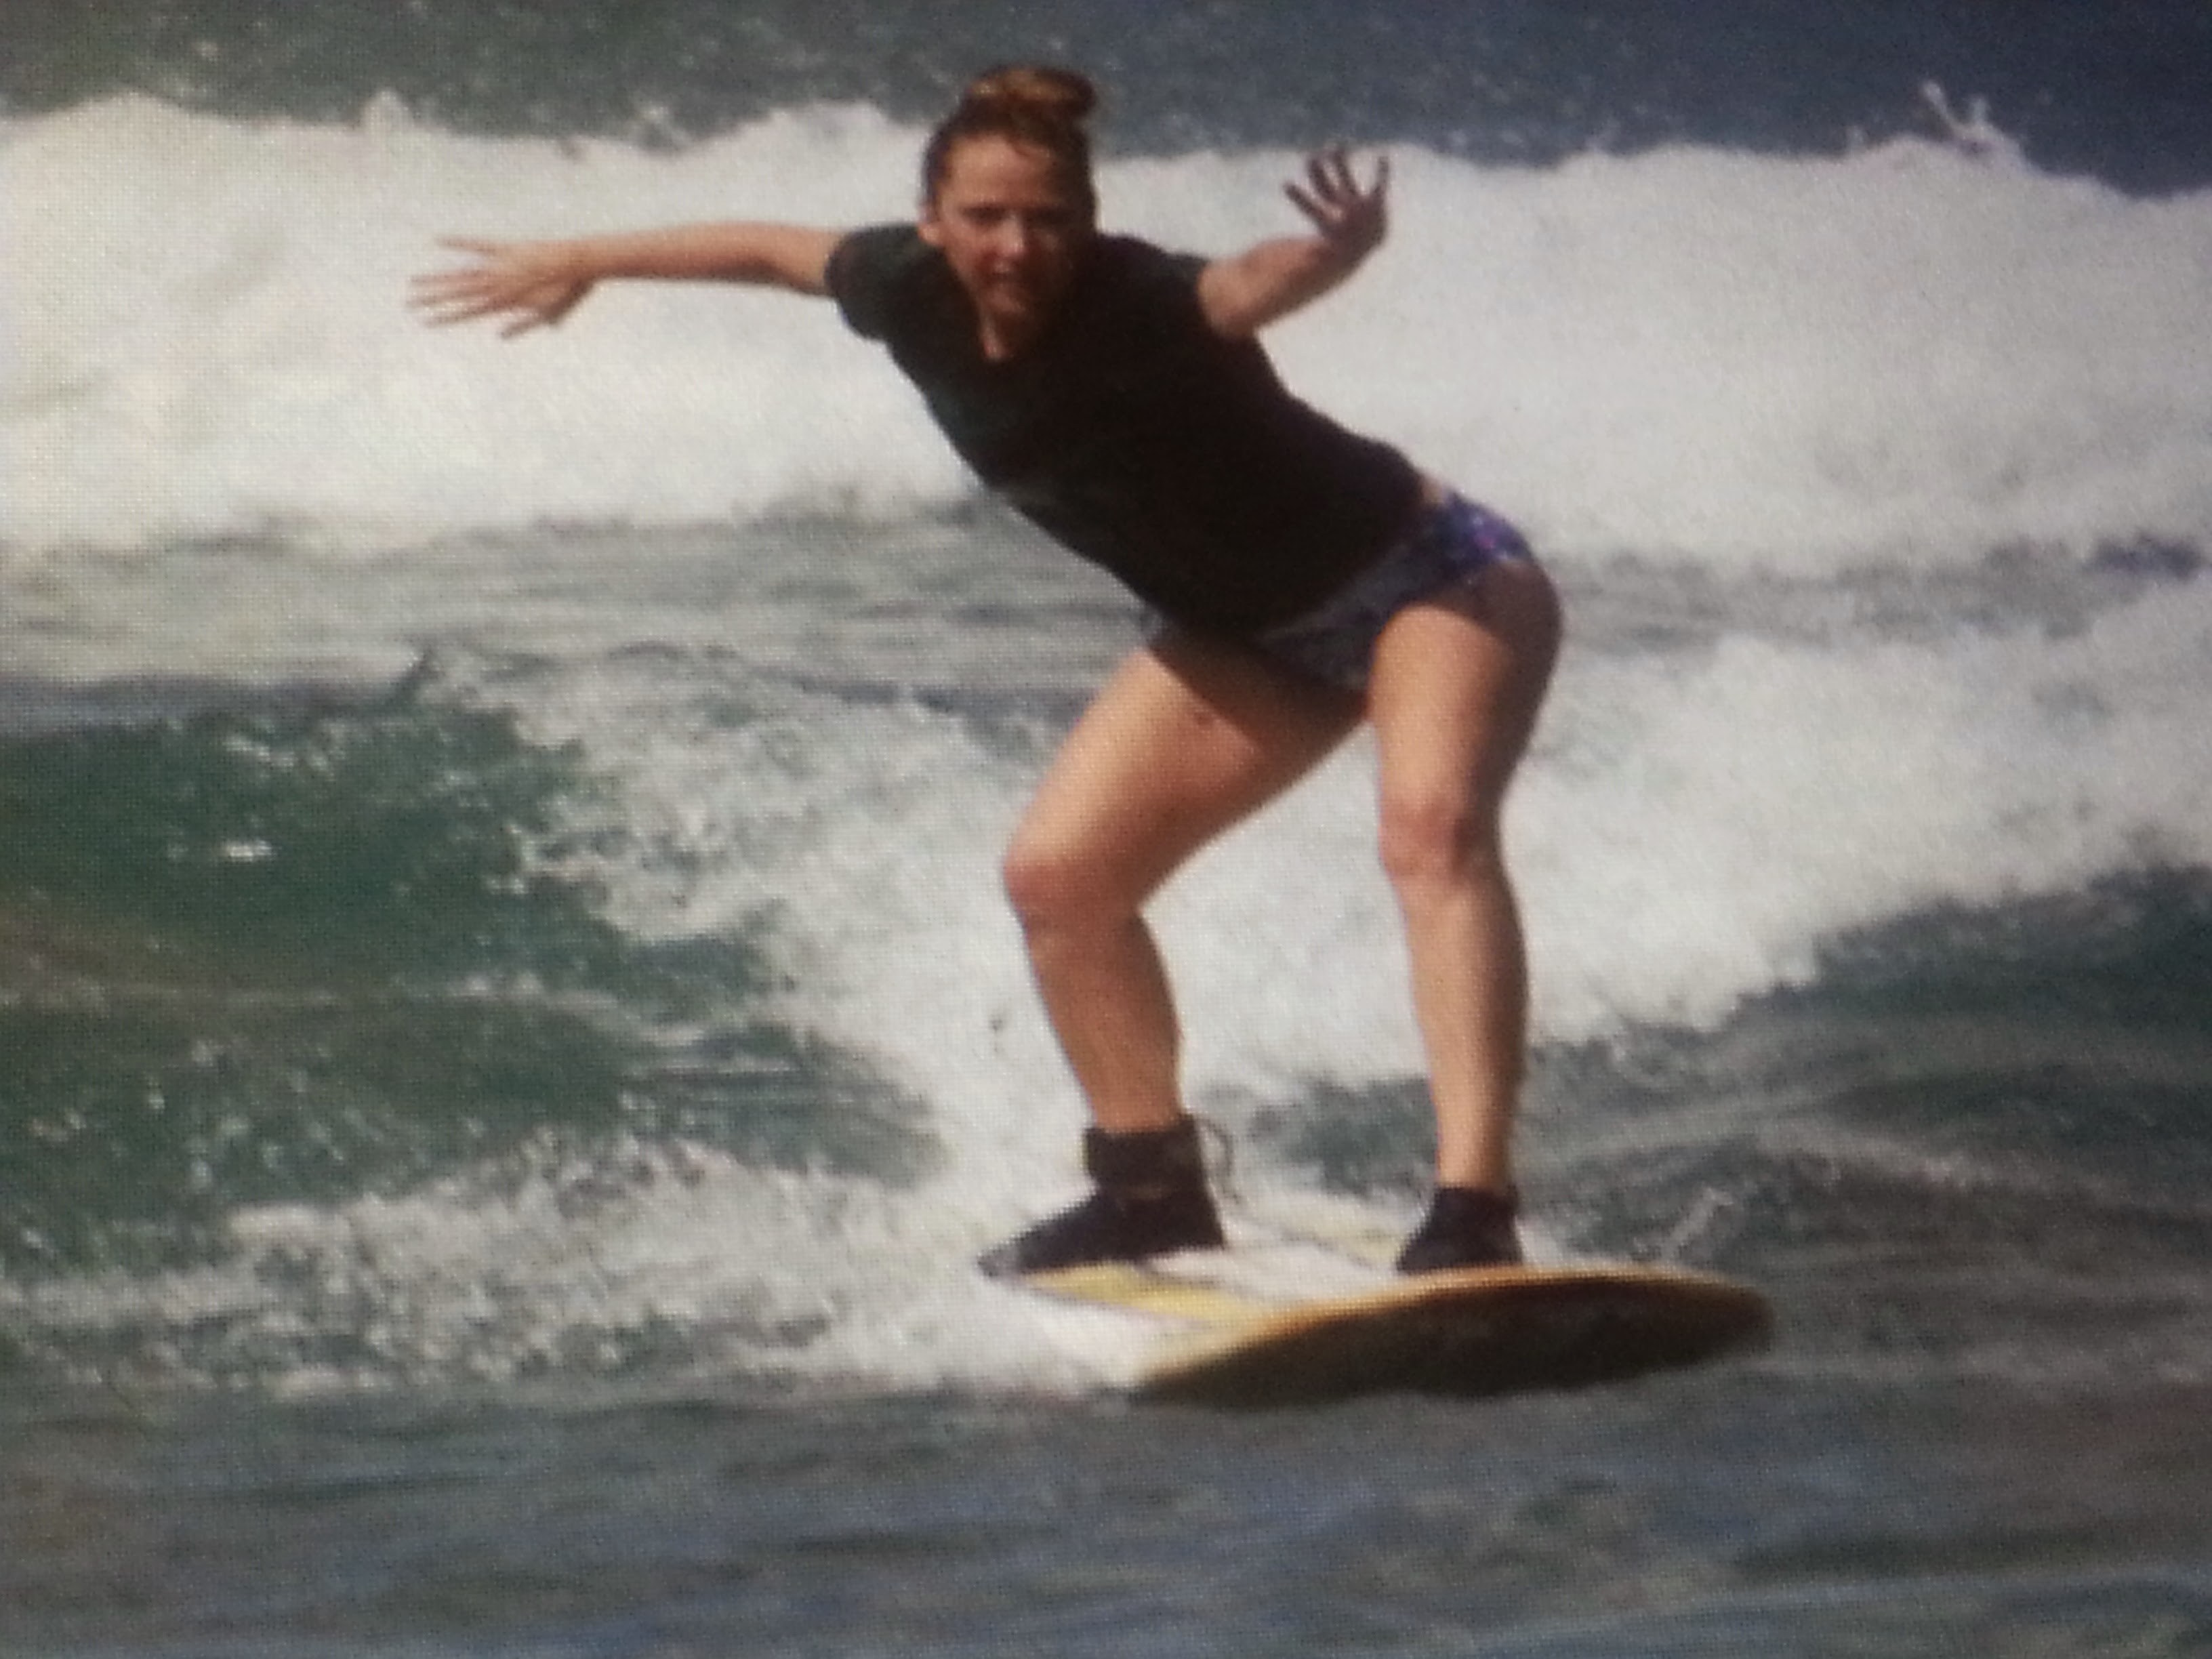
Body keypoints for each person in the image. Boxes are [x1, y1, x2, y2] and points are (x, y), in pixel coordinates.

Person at [414, 65, 1561, 1277]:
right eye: (986, 217)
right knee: (1061, 880)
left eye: (1049, 219)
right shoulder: (900, 287)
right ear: (934, 222)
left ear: (1090, 222)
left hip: (1430, 581)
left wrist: (1336, 253)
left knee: (1431, 831)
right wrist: (584, 259)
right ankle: (1151, 1189)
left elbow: (1244, 286)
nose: (1017, 245)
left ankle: (1473, 1209)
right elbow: (763, 250)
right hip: (1242, 634)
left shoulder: (1141, 301)